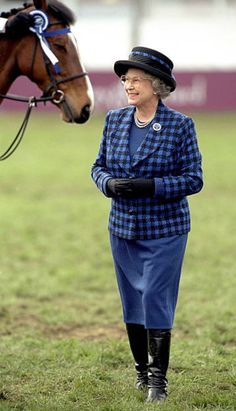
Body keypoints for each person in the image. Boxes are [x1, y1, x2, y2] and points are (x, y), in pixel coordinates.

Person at [91, 46, 203, 403]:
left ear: (157, 86)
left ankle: (158, 380)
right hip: (123, 229)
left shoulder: (180, 125)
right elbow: (98, 167)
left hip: (165, 230)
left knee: (155, 298)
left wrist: (149, 186)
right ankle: (141, 371)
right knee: (131, 304)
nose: (128, 85)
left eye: (136, 79)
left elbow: (193, 179)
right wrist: (107, 184)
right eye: (126, 79)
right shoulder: (114, 120)